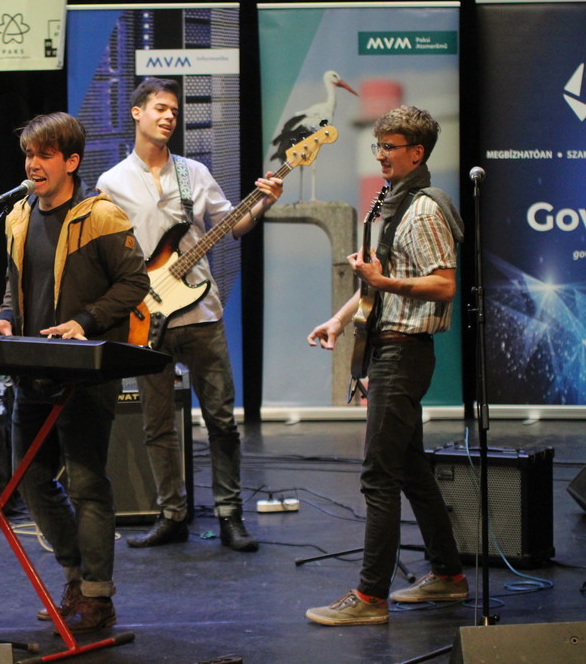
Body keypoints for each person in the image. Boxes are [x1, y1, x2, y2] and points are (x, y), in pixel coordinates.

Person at [0, 112, 149, 634]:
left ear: (71, 162)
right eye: (29, 155)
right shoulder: (16, 217)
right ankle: (78, 577)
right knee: (30, 479)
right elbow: (14, 287)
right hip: (32, 369)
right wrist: (4, 319)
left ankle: (96, 596)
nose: (33, 164)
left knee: (86, 482)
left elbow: (135, 284)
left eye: (44, 155)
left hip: (85, 374)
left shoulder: (102, 216)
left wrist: (85, 322)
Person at [96, 77, 282, 551]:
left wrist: (262, 202)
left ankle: (229, 514)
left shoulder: (194, 173)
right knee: (156, 425)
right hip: (147, 317)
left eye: (174, 112)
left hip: (201, 313)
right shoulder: (111, 183)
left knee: (221, 419)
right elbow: (106, 252)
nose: (169, 117)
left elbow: (232, 224)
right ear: (137, 112)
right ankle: (172, 514)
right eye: (160, 108)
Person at [305, 105, 466, 625]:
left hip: (405, 351)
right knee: (412, 470)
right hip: (390, 346)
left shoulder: (425, 209)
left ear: (416, 153)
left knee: (379, 475)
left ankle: (370, 598)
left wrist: (385, 282)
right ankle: (449, 576)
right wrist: (338, 319)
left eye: (389, 148)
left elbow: (444, 284)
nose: (380, 156)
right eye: (378, 146)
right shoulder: (395, 204)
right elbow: (378, 281)